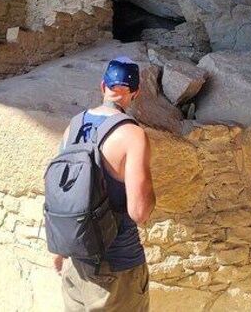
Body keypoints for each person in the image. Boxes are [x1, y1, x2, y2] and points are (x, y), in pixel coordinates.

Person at [55, 57, 156, 312]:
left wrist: (59, 250)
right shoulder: (132, 135)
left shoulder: (72, 128)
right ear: (136, 93)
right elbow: (139, 212)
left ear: (103, 87)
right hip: (118, 265)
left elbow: (59, 194)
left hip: (75, 260)